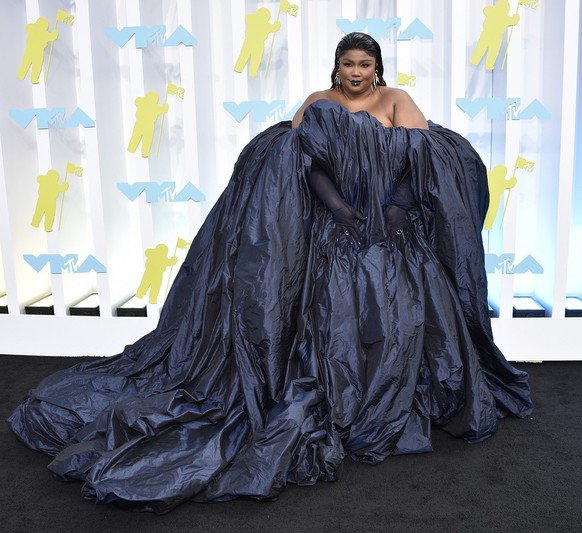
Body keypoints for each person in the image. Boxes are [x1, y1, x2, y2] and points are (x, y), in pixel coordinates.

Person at [7, 32, 533, 514]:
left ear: (377, 66)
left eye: (365, 63)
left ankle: (389, 399)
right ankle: (338, 398)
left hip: (391, 234)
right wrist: (341, 210)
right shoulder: (318, 103)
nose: (356, 72)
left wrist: (395, 208)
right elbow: (300, 161)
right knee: (329, 323)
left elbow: (426, 158)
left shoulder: (397, 100)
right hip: (334, 232)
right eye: (348, 63)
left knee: (402, 316)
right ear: (337, 67)